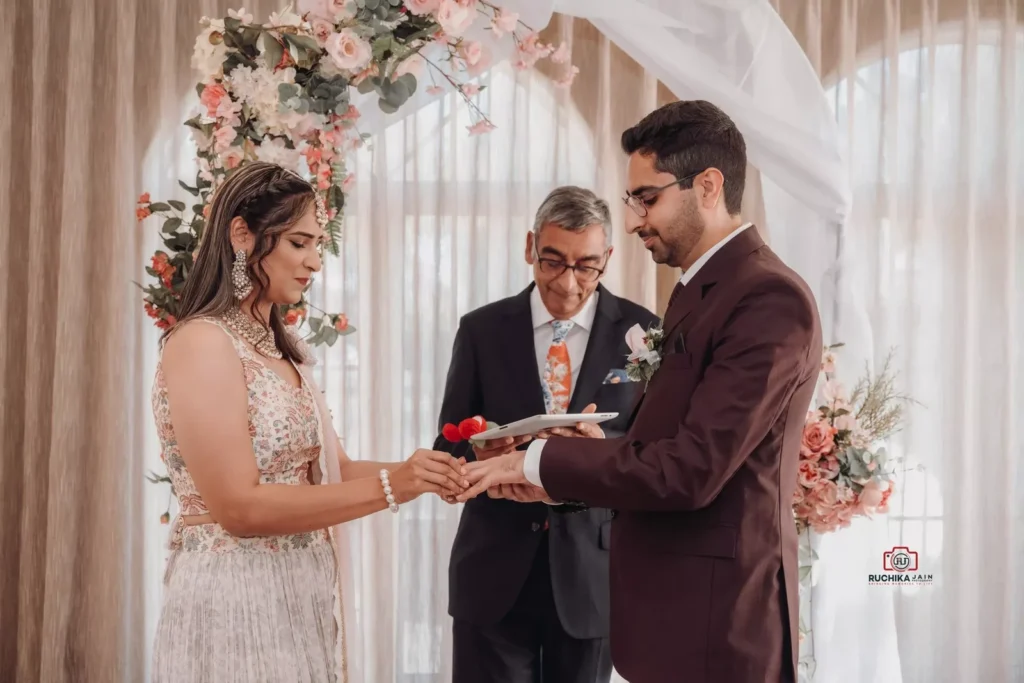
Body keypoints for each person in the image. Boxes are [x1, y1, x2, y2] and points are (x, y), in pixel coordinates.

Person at [457, 101, 823, 683]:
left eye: (646, 198)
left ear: (707, 186)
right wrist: (575, 462)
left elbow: (692, 469)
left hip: (719, 619)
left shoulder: (766, 298)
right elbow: (665, 441)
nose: (633, 221)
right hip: (674, 613)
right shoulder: (700, 291)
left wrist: (539, 460)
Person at [151, 162, 467, 683]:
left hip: (300, 591)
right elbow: (239, 508)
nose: (315, 262)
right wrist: (395, 486)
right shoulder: (202, 343)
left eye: (318, 244)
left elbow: (335, 469)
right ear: (242, 235)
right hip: (232, 600)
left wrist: (434, 473)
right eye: (300, 243)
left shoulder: (282, 351)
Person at [436, 186, 659, 683]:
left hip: (591, 575)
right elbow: (448, 444)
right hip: (491, 571)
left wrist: (600, 454)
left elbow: (655, 460)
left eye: (586, 266)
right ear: (530, 246)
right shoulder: (481, 330)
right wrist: (480, 446)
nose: (568, 283)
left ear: (607, 258)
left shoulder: (646, 334)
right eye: (553, 262)